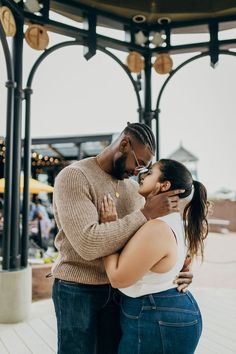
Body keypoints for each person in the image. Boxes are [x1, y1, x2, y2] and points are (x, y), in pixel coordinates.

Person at [51, 122, 193, 354]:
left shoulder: (133, 190)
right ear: (124, 144)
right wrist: (145, 213)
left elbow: (142, 241)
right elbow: (88, 244)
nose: (138, 172)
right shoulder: (74, 177)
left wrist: (177, 268)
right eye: (138, 164)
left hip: (119, 292)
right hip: (77, 289)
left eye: (145, 169)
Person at [102, 159, 209, 354]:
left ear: (164, 185)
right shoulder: (169, 221)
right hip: (161, 312)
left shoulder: (157, 227)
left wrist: (109, 226)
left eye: (150, 172)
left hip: (157, 315)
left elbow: (117, 278)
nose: (142, 175)